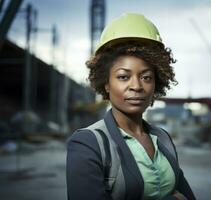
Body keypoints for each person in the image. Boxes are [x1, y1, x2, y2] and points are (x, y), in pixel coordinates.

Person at [66, 13, 196, 200]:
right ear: (106, 84)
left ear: (156, 84)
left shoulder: (162, 138)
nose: (136, 86)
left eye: (146, 77)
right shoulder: (88, 143)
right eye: (123, 77)